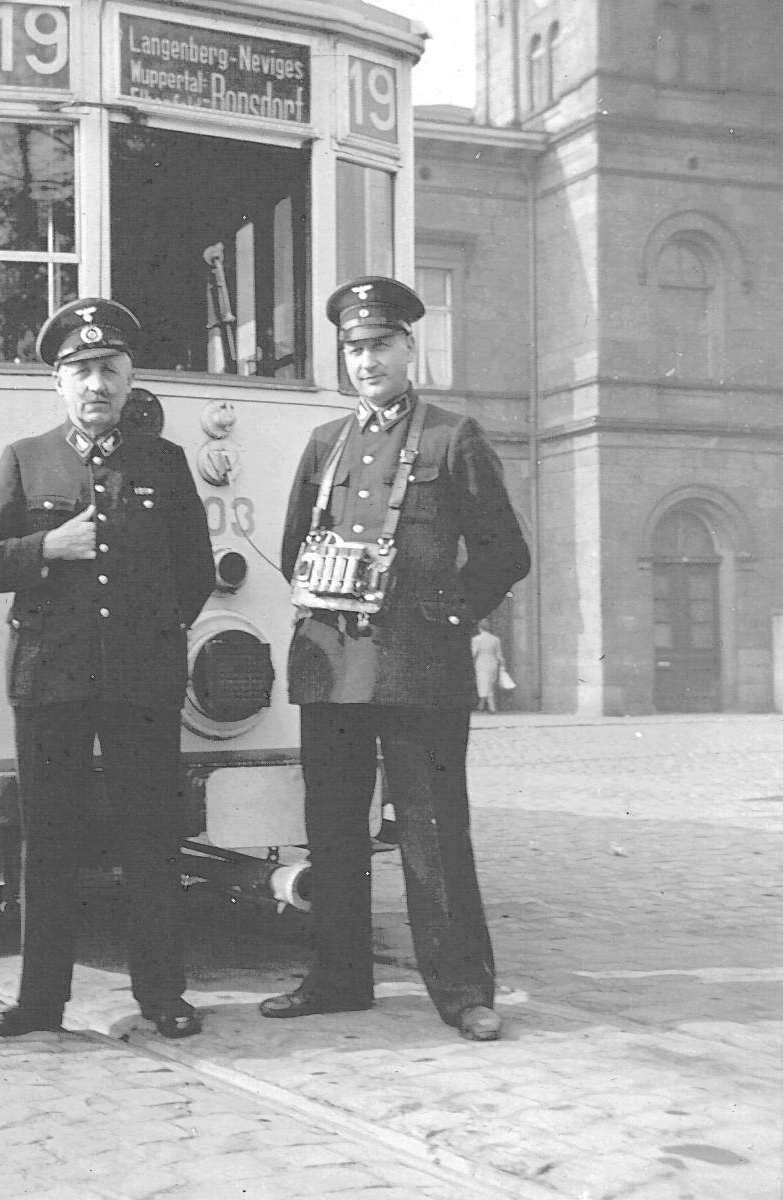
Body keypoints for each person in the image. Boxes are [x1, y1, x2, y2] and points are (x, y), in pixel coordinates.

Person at [262, 277, 530, 1041]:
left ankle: (462, 991)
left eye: (381, 345)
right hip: (333, 667)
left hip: (421, 665)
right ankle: (338, 978)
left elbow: (506, 552)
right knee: (335, 829)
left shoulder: (454, 437)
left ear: (411, 349)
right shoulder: (326, 445)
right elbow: (294, 549)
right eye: (354, 348)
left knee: (434, 830)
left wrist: (449, 610)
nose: (367, 360)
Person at [0, 298, 214, 1040]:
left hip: (140, 681)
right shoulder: (25, 458)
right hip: (51, 678)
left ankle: (161, 995)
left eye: (109, 370)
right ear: (58, 383)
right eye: (80, 371)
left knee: (150, 837)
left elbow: (193, 573)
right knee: (50, 842)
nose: (95, 385)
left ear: (130, 380)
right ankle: (41, 1000)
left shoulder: (163, 464)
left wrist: (157, 638)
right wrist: (47, 549)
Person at [471, 620, 507, 713]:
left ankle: (484, 704)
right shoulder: (495, 639)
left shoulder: (476, 639)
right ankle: (488, 705)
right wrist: (502, 664)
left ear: (480, 628)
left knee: (482, 683)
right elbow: (499, 654)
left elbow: (474, 653)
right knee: (490, 684)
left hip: (481, 662)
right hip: (493, 662)